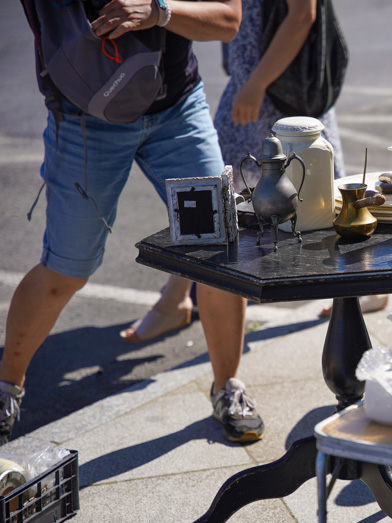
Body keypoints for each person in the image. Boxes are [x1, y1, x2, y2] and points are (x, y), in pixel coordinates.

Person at [2, 0, 264, 445]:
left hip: (177, 109)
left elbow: (227, 19)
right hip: (86, 117)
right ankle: (6, 388)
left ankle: (228, 388)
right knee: (65, 270)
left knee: (218, 251)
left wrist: (160, 11)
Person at [121, 0, 385, 337]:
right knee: (220, 199)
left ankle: (361, 286)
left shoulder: (265, 89)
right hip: (254, 85)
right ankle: (174, 300)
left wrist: (257, 84)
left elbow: (303, 13)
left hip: (279, 92)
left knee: (316, 199)